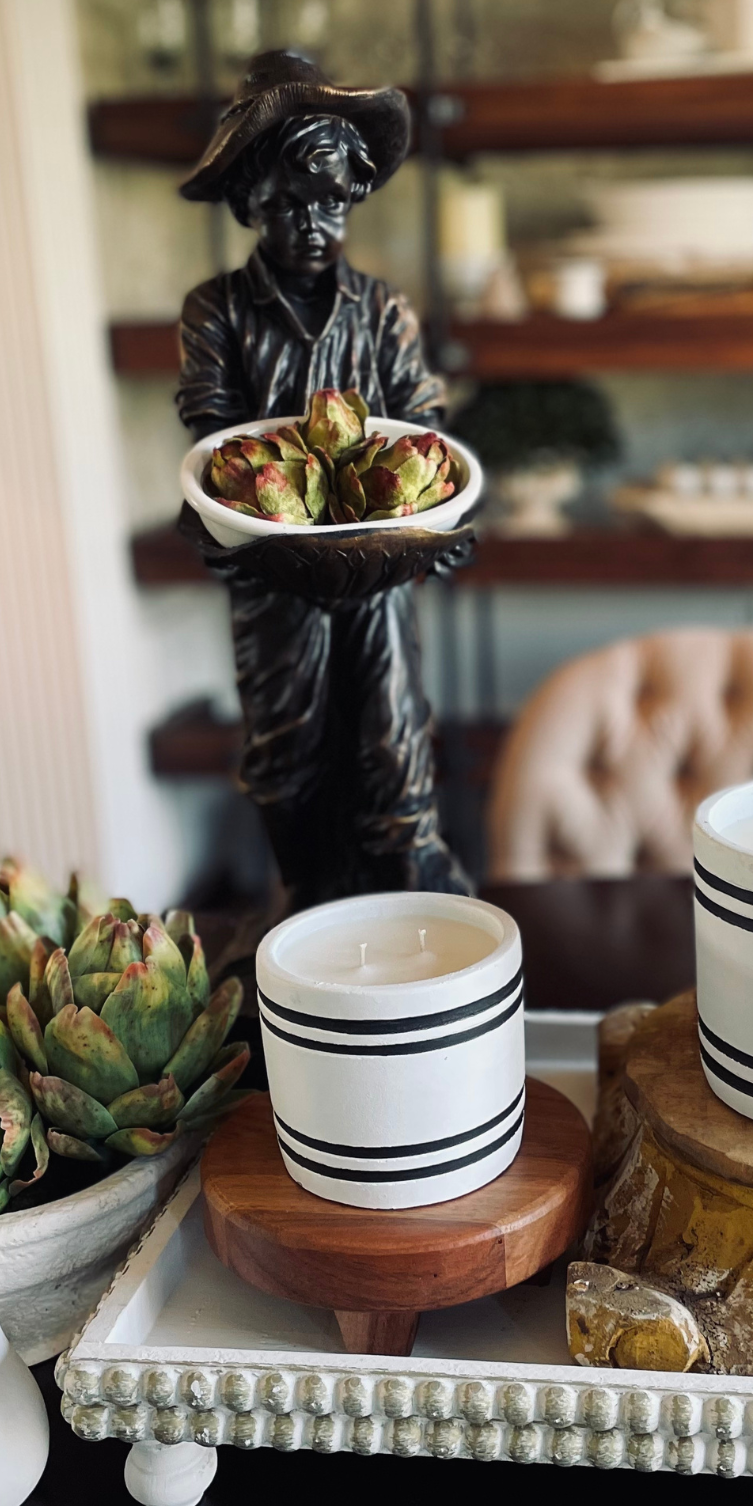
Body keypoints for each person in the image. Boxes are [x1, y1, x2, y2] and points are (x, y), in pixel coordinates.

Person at [176, 52, 468, 907]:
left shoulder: (382, 309)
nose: (315, 222)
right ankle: (306, 890)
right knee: (286, 734)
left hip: (376, 556)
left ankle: (411, 875)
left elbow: (426, 422)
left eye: (333, 201)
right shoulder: (218, 311)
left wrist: (434, 517)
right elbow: (212, 433)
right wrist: (259, 512)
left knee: (391, 721)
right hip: (269, 564)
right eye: (292, 203)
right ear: (250, 203)